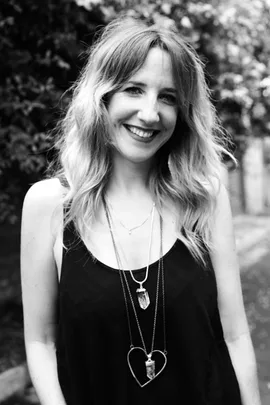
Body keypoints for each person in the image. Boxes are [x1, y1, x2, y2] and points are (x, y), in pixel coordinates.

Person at [20, 16, 261, 405]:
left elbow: (234, 334)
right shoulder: (49, 205)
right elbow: (40, 340)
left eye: (167, 97)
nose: (150, 114)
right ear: (104, 96)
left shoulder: (205, 197)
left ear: (182, 112)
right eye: (134, 89)